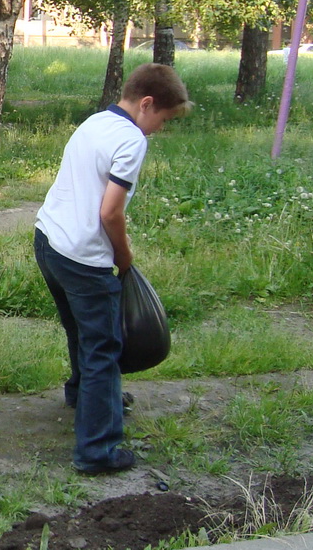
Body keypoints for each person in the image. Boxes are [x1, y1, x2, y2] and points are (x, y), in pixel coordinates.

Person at [34, 63, 191, 474]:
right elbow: (110, 212)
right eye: (163, 119)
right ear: (146, 104)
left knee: (80, 330)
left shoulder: (95, 122)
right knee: (103, 349)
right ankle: (97, 451)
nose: (160, 128)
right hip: (84, 257)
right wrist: (124, 255)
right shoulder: (131, 139)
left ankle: (83, 395)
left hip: (49, 240)